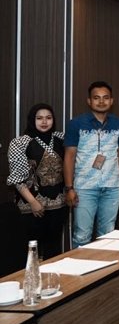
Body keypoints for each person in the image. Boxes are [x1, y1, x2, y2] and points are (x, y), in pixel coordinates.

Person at [64, 81, 119, 248]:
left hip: (112, 187)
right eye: (96, 98)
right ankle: (78, 265)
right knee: (82, 235)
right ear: (89, 101)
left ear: (111, 101)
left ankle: (105, 265)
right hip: (84, 188)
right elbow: (69, 156)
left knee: (108, 235)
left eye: (105, 98)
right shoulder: (76, 124)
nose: (101, 101)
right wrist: (69, 188)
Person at [7, 104, 67, 259]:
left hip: (59, 204)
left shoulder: (61, 138)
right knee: (32, 250)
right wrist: (33, 202)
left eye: (48, 118)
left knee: (54, 249)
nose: (44, 122)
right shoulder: (20, 143)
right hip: (31, 205)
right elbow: (17, 177)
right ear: (32, 120)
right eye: (39, 118)